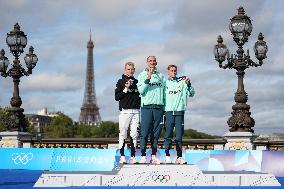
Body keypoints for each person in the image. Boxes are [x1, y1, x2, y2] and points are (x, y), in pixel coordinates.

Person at [163, 65, 195, 164]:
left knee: (179, 136)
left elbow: (192, 93)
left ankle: (179, 157)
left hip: (179, 112)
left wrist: (189, 84)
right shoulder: (164, 83)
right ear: (168, 72)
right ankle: (167, 156)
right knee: (168, 135)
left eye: (175, 71)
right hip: (168, 112)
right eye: (171, 71)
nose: (174, 72)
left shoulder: (182, 82)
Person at [137, 56, 165, 164]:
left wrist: (164, 107)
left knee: (156, 134)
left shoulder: (161, 76)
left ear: (156, 62)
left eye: (154, 61)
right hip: (146, 107)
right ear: (147, 62)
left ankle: (153, 155)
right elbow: (141, 91)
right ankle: (143, 156)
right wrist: (148, 78)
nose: (152, 62)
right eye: (150, 61)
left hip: (158, 108)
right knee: (144, 133)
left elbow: (163, 93)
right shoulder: (142, 75)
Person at [115, 62, 141, 164]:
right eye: (128, 69)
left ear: (134, 70)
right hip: (125, 112)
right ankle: (122, 156)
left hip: (136, 112)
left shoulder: (138, 82)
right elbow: (117, 97)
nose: (130, 71)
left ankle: (133, 156)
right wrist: (126, 88)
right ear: (125, 70)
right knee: (123, 134)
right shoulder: (120, 81)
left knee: (134, 135)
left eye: (132, 69)